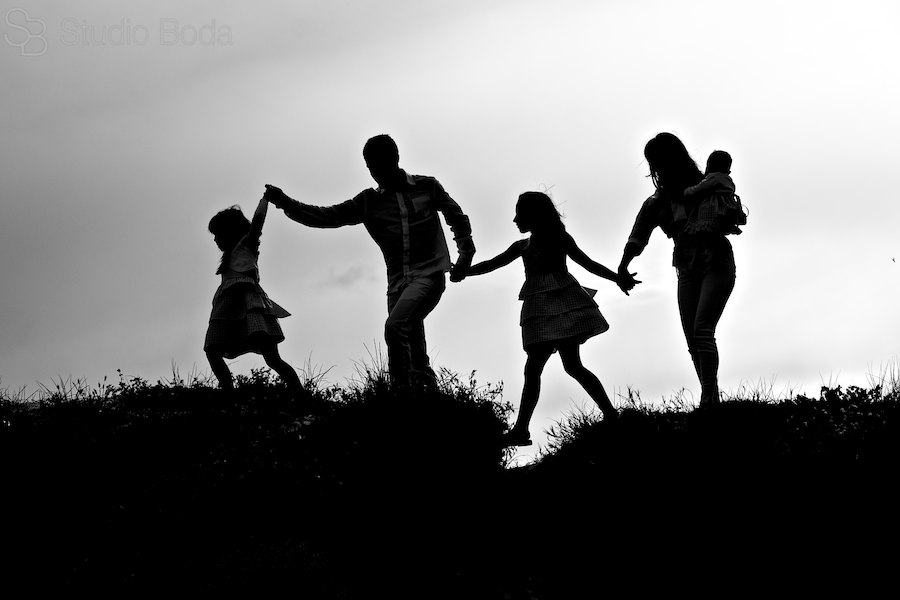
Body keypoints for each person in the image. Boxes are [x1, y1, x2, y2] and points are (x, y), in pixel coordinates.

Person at [264, 134, 475, 390]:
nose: (374, 172)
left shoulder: (427, 186)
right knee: (413, 342)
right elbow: (326, 216)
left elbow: (456, 215)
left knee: (396, 327)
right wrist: (286, 202)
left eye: (377, 164)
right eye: (369, 166)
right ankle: (427, 395)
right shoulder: (368, 201)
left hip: (429, 275)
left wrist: (465, 253)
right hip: (397, 285)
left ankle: (400, 395)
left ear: (394, 159)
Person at [452, 191, 635, 446]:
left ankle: (524, 430)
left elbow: (588, 263)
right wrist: (464, 272)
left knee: (552, 368)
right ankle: (607, 416)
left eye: (520, 213)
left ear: (533, 215)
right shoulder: (523, 246)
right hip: (541, 309)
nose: (515, 219)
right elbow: (493, 264)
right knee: (559, 368)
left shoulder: (558, 239)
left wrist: (617, 278)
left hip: (560, 306)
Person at [617, 133, 737, 407]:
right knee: (694, 337)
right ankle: (711, 397)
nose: (657, 169)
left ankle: (709, 398)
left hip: (715, 258)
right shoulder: (658, 202)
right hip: (686, 265)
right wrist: (623, 266)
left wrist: (623, 266)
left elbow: (728, 211)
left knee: (702, 330)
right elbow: (638, 235)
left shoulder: (706, 184)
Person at [204, 197, 302, 392]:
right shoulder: (231, 257)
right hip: (227, 307)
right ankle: (228, 394)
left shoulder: (247, 244)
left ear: (229, 231)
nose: (215, 239)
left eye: (217, 234)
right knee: (212, 350)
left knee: (273, 359)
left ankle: (301, 395)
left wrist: (266, 200)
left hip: (250, 306)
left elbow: (258, 221)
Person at [683, 150, 744, 236]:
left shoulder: (714, 177)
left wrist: (687, 191)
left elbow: (700, 188)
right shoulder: (728, 179)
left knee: (704, 227)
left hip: (712, 209)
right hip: (725, 211)